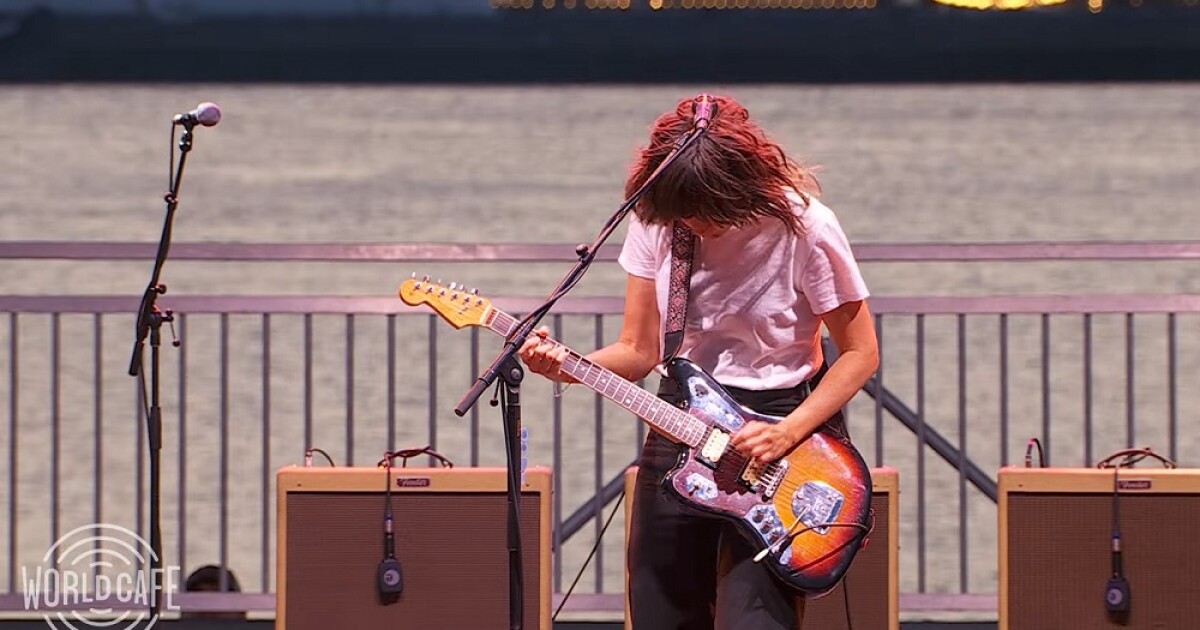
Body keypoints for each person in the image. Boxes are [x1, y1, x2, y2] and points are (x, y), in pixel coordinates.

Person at [518, 93, 879, 630]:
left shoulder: (808, 226)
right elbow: (638, 351)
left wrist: (789, 433)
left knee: (754, 620)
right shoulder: (658, 218)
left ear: (736, 185)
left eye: (703, 209)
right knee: (661, 612)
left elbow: (859, 352)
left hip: (782, 428)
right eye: (681, 210)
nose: (692, 221)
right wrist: (565, 366)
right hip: (680, 424)